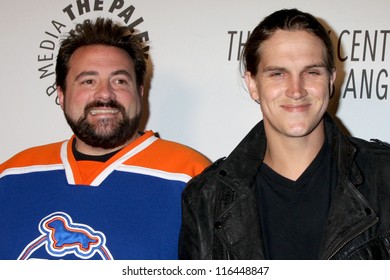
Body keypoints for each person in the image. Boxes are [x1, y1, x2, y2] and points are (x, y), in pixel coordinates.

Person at [179, 8, 390, 260]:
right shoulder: (205, 198)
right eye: (278, 74)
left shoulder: (384, 174)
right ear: (253, 85)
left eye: (312, 72)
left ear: (331, 79)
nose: (296, 90)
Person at [0, 18, 210, 260]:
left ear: (140, 92)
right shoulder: (10, 176)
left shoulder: (192, 176)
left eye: (119, 81)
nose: (105, 94)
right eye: (88, 81)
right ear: (61, 93)